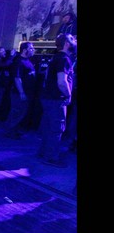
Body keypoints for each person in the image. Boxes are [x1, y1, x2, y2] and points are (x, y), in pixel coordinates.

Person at [37, 33, 77, 168]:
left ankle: (43, 153)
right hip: (56, 99)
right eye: (72, 39)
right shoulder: (64, 59)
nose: (75, 41)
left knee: (48, 127)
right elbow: (62, 82)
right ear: (66, 43)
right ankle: (51, 158)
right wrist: (69, 95)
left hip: (48, 97)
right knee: (56, 129)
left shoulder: (56, 57)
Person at [3, 41, 37, 140]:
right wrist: (21, 92)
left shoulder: (28, 61)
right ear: (25, 50)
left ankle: (14, 130)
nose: (33, 50)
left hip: (26, 91)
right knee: (16, 112)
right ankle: (10, 131)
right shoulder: (18, 61)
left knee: (20, 112)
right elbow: (17, 78)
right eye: (31, 48)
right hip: (19, 93)